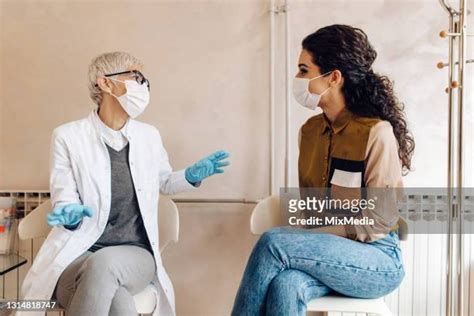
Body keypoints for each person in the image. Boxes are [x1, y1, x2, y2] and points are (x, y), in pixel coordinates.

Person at [19, 51, 230, 316]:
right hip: (78, 254)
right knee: (117, 302)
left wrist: (190, 175)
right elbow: (65, 196)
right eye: (135, 76)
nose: (143, 86)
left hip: (135, 254)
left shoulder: (149, 136)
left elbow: (164, 182)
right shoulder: (67, 137)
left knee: (103, 264)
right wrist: (70, 215)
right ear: (105, 83)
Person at [232, 24, 414, 316]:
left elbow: (379, 221)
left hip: (377, 259)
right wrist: (310, 238)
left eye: (304, 70)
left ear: (334, 78)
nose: (297, 78)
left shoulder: (375, 132)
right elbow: (312, 208)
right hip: (327, 252)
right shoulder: (310, 131)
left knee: (273, 241)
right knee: (286, 285)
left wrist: (306, 239)